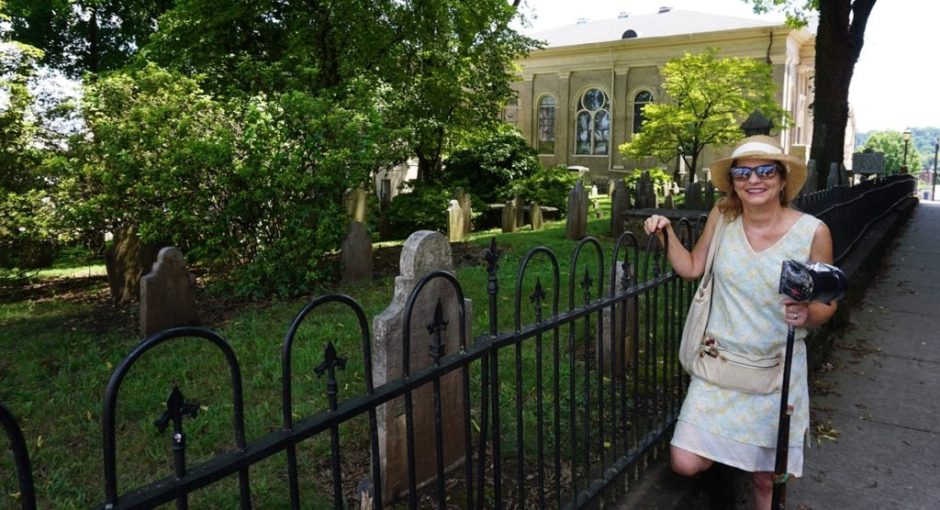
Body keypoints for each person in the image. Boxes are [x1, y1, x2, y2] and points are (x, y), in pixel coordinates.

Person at [643, 135, 837, 509]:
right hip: (720, 364)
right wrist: (665, 231)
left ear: (782, 179)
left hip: (775, 369)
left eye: (765, 170)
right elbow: (692, 267)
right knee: (685, 460)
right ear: (733, 183)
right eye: (742, 173)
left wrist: (807, 313)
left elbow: (827, 303)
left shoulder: (813, 232)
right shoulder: (723, 216)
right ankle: (732, 452)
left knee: (765, 481)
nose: (754, 180)